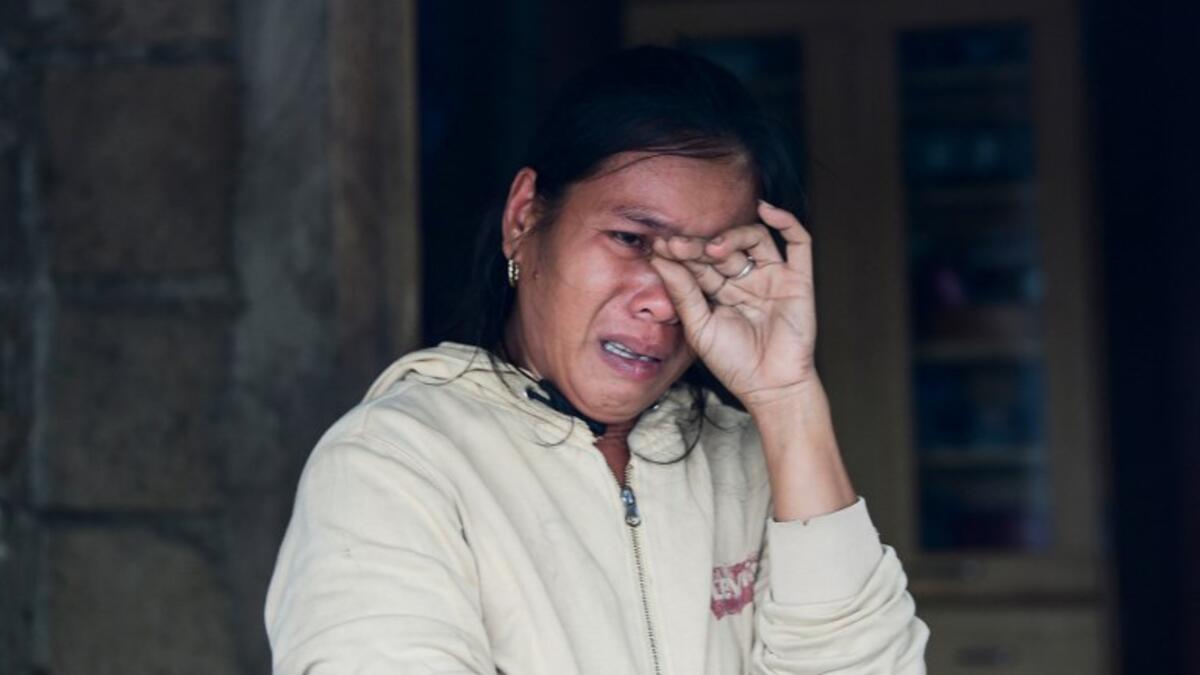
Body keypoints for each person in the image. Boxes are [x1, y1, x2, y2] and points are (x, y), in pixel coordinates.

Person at [265, 46, 929, 674]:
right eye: (631, 238)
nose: (666, 301)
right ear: (524, 217)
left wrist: (788, 399)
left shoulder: (753, 464)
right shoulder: (394, 465)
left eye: (708, 260)